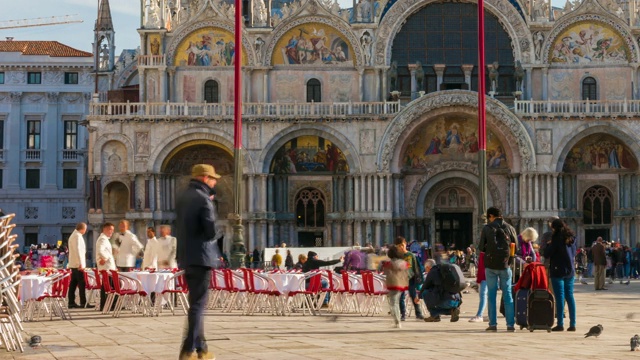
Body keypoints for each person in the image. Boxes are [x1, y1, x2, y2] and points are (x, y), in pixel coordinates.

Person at [176, 164, 222, 360]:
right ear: (204, 178)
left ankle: (202, 349)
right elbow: (211, 231)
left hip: (187, 257)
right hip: (202, 257)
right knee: (198, 305)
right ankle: (187, 350)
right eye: (213, 179)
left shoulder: (183, 197)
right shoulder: (204, 199)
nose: (215, 182)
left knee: (196, 304)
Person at [478, 206, 518, 332]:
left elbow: (480, 248)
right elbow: (516, 247)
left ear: (491, 216)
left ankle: (493, 324)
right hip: (505, 265)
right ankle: (510, 325)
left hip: (490, 266)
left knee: (491, 295)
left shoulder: (487, 228)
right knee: (508, 295)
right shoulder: (510, 228)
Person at [543, 219, 577, 332]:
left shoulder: (556, 239)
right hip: (570, 271)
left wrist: (548, 245)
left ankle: (560, 324)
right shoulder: (572, 239)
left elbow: (547, 253)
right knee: (570, 297)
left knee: (560, 297)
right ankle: (573, 324)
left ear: (554, 228)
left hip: (558, 271)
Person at [395, 236, 424, 321]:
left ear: (405, 244)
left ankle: (418, 313)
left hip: (411, 278)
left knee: (413, 295)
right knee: (401, 297)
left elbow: (416, 267)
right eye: (398, 246)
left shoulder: (411, 255)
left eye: (402, 245)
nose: (401, 247)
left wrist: (418, 277)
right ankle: (403, 314)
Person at [382, 245, 409, 329]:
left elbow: (385, 272)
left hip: (393, 284)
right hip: (402, 284)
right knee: (397, 302)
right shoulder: (404, 263)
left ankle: (397, 321)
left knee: (393, 304)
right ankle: (397, 320)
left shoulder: (388, 263)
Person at [96, 223, 116, 312]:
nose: (112, 232)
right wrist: (105, 258)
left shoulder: (104, 239)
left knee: (107, 286)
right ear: (105, 229)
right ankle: (107, 305)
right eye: (110, 229)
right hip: (107, 267)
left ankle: (106, 305)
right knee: (107, 287)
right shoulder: (103, 239)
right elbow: (100, 250)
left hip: (107, 267)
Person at [67, 222, 87, 308]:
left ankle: (71, 302)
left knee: (73, 284)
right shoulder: (77, 236)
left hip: (74, 263)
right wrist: (81, 263)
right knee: (82, 284)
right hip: (77, 264)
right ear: (83, 229)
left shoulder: (74, 235)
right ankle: (83, 302)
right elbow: (78, 250)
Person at [469, 252, 487, 322]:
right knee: (490, 296)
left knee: (483, 294)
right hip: (494, 275)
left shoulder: (483, 252)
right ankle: (491, 315)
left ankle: (480, 315)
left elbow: (481, 267)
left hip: (485, 277)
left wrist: (479, 279)